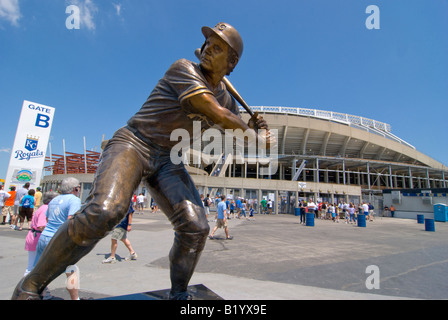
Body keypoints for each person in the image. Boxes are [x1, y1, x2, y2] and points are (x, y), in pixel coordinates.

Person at [12, 22, 274, 301]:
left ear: (231, 62)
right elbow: (218, 115)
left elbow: (232, 127)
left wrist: (255, 128)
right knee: (104, 211)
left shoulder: (227, 99)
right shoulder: (184, 69)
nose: (208, 48)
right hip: (134, 143)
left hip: (169, 160)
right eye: (208, 43)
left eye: (218, 47)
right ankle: (29, 287)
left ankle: (179, 294)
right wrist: (259, 138)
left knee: (196, 227)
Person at [32, 177, 83, 300]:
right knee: (71, 269)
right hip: (59, 239)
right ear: (75, 188)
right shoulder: (74, 200)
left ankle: (41, 293)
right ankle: (75, 298)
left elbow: (48, 219)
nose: (79, 190)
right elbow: (71, 221)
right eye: (79, 188)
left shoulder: (54, 200)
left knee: (40, 268)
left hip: (45, 236)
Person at [24, 192, 59, 276]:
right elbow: (42, 226)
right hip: (38, 237)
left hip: (34, 236)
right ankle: (28, 284)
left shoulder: (42, 207)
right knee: (35, 266)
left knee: (32, 265)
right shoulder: (46, 209)